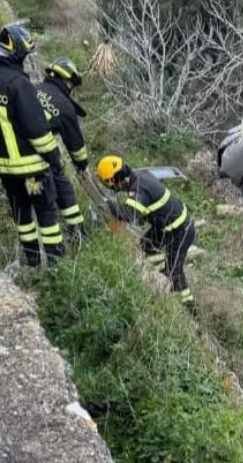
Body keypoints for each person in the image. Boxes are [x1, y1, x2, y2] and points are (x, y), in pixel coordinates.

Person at [0, 22, 65, 267]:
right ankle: (56, 264)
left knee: (21, 213)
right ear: (16, 53)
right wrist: (54, 156)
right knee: (46, 212)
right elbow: (37, 130)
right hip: (31, 170)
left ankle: (31, 260)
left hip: (4, 169)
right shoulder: (18, 84)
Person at [98, 156, 197, 314]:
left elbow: (130, 215)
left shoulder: (139, 189)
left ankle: (189, 309)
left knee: (174, 271)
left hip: (181, 231)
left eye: (113, 185)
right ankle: (154, 280)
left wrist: (107, 205)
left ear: (117, 178)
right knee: (145, 247)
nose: (116, 189)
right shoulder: (138, 175)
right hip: (164, 227)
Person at [36, 56, 89, 246]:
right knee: (64, 188)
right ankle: (77, 236)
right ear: (67, 81)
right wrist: (82, 166)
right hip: (40, 155)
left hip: (15, 150)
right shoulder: (65, 107)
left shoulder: (33, 89)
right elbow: (75, 144)